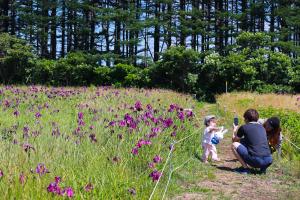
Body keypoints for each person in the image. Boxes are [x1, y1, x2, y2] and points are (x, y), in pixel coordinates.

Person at [231, 109, 273, 174]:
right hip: (269, 160)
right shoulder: (262, 128)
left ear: (247, 119)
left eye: (244, 118)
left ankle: (245, 169)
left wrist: (234, 129)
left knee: (234, 145)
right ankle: (263, 169)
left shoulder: (244, 127)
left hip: (256, 161)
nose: (244, 120)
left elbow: (234, 140)